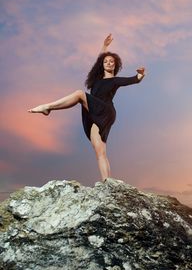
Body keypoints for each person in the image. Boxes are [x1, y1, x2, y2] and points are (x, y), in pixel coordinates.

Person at [28, 34, 146, 182]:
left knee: (79, 94)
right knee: (100, 152)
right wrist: (105, 46)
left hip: (105, 111)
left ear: (115, 66)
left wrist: (141, 74)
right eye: (106, 61)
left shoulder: (116, 80)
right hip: (94, 114)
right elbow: (99, 59)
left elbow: (134, 80)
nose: (109, 63)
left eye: (112, 62)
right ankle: (107, 184)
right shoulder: (96, 80)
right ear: (102, 65)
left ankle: (48, 107)